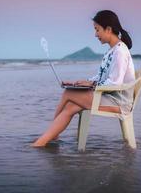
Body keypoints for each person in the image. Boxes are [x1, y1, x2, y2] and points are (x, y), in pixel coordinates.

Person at [31, 10, 135, 147]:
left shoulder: (120, 51)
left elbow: (114, 83)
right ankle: (44, 140)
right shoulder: (112, 50)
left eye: (97, 30)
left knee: (68, 93)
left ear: (108, 29)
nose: (95, 34)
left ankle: (50, 136)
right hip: (110, 97)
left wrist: (91, 84)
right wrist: (83, 83)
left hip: (119, 103)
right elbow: (101, 76)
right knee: (70, 106)